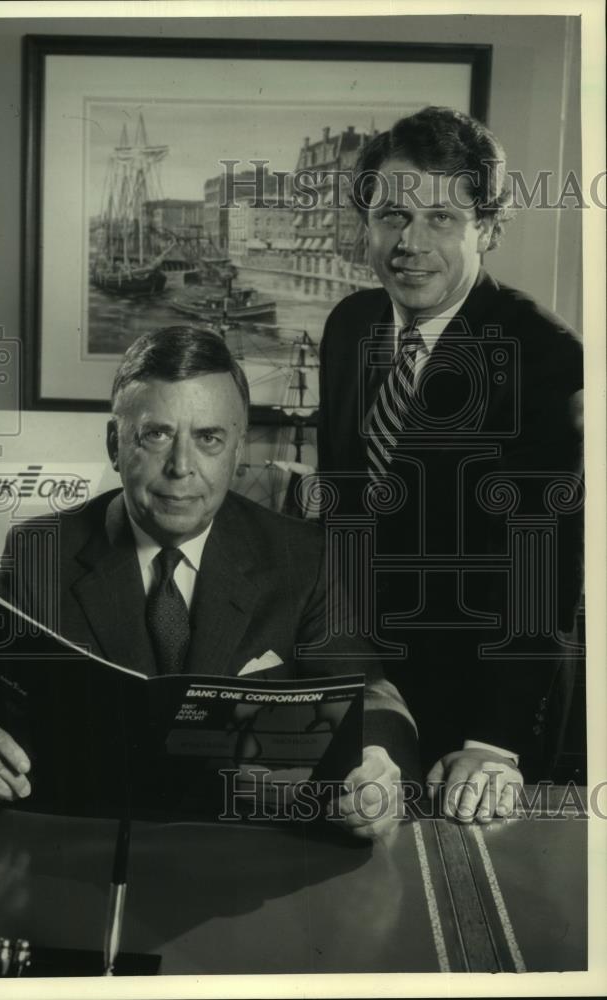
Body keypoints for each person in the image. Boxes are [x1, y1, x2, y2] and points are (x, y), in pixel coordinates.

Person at [0, 326, 418, 839]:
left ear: (236, 450)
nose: (181, 468)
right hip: (81, 850)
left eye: (208, 438)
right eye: (157, 435)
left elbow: (374, 695)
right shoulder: (40, 552)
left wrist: (377, 761)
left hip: (245, 858)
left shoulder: (301, 557)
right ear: (114, 444)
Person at [318, 107, 583, 824]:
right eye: (392, 214)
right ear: (366, 223)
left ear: (489, 230)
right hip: (364, 685)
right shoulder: (348, 329)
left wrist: (492, 744)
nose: (410, 243)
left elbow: (544, 567)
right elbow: (344, 509)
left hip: (481, 707)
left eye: (442, 219)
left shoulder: (546, 356)